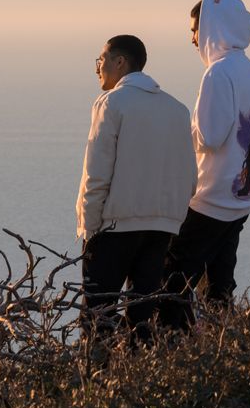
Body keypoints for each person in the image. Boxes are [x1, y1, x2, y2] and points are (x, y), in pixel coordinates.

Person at [160, 0, 250, 330]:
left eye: (196, 28)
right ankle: (221, 343)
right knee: (220, 282)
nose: (193, 38)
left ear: (213, 27)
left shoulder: (217, 74)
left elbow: (208, 137)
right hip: (240, 196)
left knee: (171, 281)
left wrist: (177, 134)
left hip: (210, 197)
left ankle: (173, 349)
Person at [77, 34, 197, 343]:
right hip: (161, 229)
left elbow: (97, 173)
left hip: (115, 228)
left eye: (100, 60)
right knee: (142, 317)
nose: (97, 68)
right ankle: (140, 379)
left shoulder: (111, 103)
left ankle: (98, 384)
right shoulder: (177, 109)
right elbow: (189, 177)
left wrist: (89, 229)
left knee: (97, 316)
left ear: (120, 62)